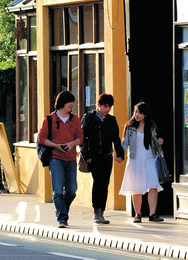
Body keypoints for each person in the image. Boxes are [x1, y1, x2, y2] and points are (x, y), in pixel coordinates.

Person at [37, 90, 83, 228]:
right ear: (62, 103)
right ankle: (62, 218)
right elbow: (41, 138)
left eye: (72, 102)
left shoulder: (75, 119)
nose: (72, 104)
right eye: (70, 102)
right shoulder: (49, 119)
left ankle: (63, 211)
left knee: (71, 191)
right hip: (55, 158)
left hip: (71, 159)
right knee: (57, 191)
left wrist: (72, 144)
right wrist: (56, 146)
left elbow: (80, 137)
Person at [80, 93, 124, 224]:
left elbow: (116, 139)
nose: (107, 109)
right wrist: (86, 155)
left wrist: (119, 154)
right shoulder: (89, 118)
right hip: (94, 156)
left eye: (109, 107)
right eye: (105, 106)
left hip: (107, 155)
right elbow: (83, 138)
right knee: (98, 181)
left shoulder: (111, 120)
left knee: (105, 183)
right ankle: (96, 211)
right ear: (99, 105)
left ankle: (102, 212)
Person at [119, 101, 165, 223]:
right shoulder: (130, 127)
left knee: (153, 186)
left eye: (139, 112)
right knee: (136, 188)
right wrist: (120, 155)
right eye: (135, 112)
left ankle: (152, 214)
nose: (137, 115)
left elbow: (154, 142)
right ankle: (138, 214)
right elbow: (125, 143)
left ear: (145, 114)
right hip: (135, 160)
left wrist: (159, 142)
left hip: (150, 159)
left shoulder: (151, 126)